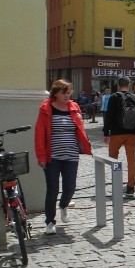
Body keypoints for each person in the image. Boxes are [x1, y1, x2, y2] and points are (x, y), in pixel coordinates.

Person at [34, 79, 93, 235]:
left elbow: (79, 129)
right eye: (63, 92)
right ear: (55, 93)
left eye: (68, 92)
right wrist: (41, 156)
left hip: (71, 154)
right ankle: (50, 222)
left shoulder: (74, 107)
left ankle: (64, 205)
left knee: (70, 187)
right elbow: (39, 134)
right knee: (53, 188)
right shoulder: (46, 108)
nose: (67, 95)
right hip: (52, 156)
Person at [102, 75, 135, 197]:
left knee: (113, 160)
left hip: (116, 134)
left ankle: (116, 185)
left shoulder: (114, 97)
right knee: (131, 160)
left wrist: (106, 133)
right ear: (130, 85)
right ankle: (131, 187)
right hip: (131, 134)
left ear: (118, 85)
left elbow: (109, 116)